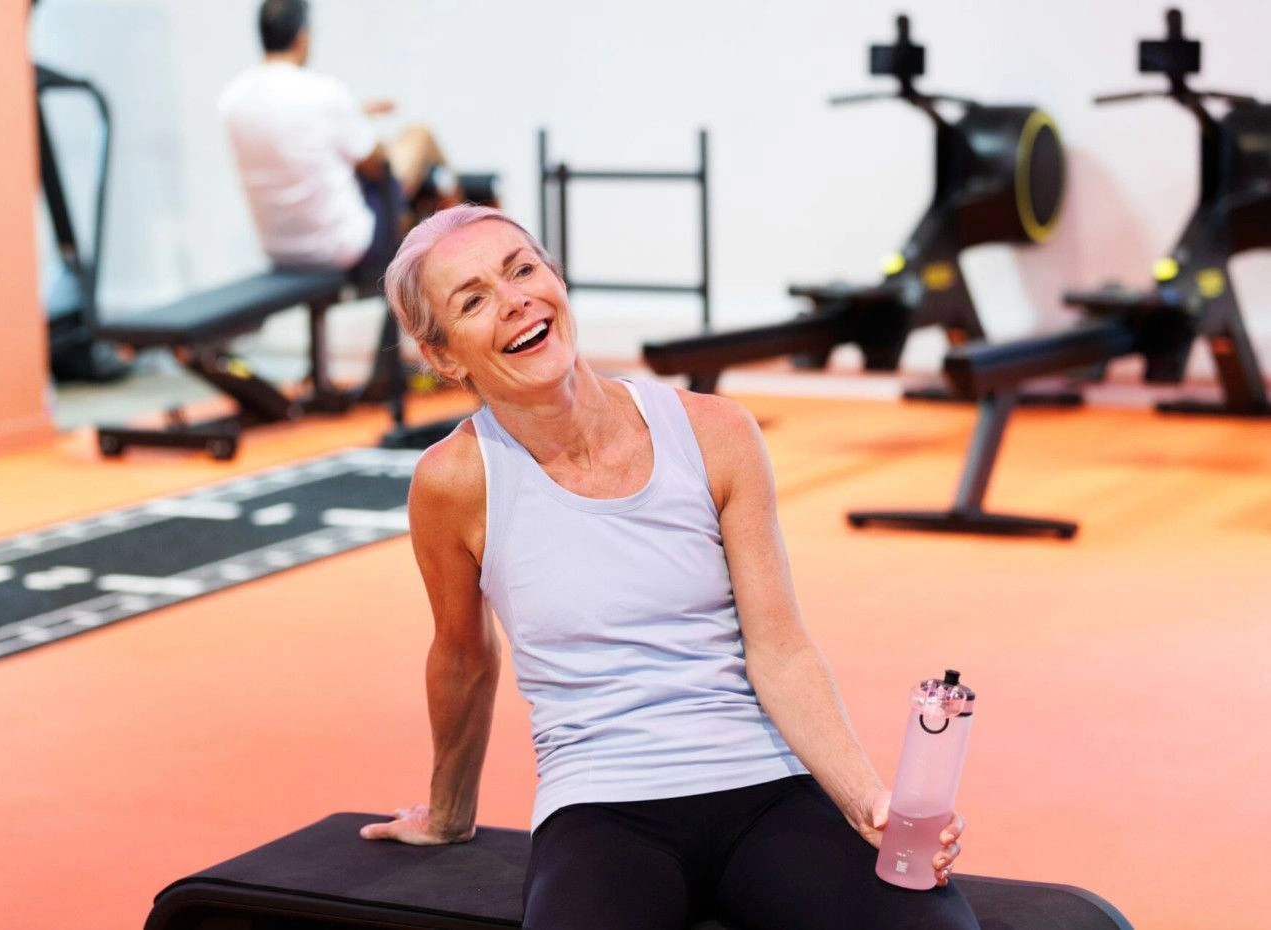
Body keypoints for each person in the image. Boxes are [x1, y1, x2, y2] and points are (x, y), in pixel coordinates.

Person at [358, 205, 980, 930]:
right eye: (472, 299)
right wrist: (449, 814)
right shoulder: (454, 482)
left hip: (767, 784)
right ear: (443, 357)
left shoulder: (714, 432)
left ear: (555, 278)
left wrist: (867, 801)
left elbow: (779, 649)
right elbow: (464, 656)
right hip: (601, 805)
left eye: (523, 269)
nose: (515, 299)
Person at [218, 0, 462, 289]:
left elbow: (288, 138)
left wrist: (354, 114)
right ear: (302, 36)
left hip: (280, 250)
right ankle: (464, 244)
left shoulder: (232, 99)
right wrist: (362, 128)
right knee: (420, 136)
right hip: (344, 248)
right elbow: (377, 166)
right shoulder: (321, 92)